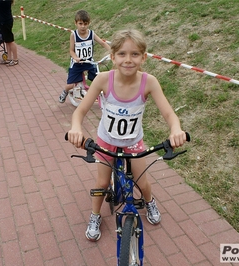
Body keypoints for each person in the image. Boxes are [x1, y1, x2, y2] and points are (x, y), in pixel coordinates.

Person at [67, 29, 188, 241]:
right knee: (102, 184)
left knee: (142, 181)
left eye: (134, 54)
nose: (128, 60)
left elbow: (169, 113)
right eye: (122, 54)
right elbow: (80, 111)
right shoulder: (103, 80)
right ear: (113, 57)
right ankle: (95, 215)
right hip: (106, 142)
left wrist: (176, 129)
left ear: (144, 57)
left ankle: (149, 201)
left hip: (133, 143)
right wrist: (76, 127)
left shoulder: (149, 82)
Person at [58, 10, 111, 103]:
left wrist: (112, 52)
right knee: (70, 85)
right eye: (80, 23)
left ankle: (104, 96)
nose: (83, 26)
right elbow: (71, 50)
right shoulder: (73, 35)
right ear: (76, 23)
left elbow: (102, 43)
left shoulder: (91, 34)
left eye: (85, 24)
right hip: (77, 64)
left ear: (89, 23)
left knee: (98, 79)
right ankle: (65, 91)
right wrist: (76, 58)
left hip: (89, 62)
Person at [0, 0, 18, 66]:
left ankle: (15, 59)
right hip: (3, 22)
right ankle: (9, 58)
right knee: (7, 41)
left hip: (5, 22)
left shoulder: (5, 1)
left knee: (10, 40)